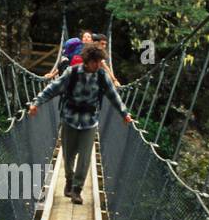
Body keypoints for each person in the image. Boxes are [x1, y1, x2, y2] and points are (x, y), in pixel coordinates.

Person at [28, 43, 132, 204]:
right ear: (87, 60)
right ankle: (69, 179)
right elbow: (52, 88)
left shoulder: (102, 76)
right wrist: (36, 103)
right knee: (68, 156)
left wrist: (124, 114)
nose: (98, 65)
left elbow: (113, 95)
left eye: (99, 61)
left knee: (84, 158)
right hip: (69, 119)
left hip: (90, 121)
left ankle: (77, 190)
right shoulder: (72, 73)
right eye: (95, 61)